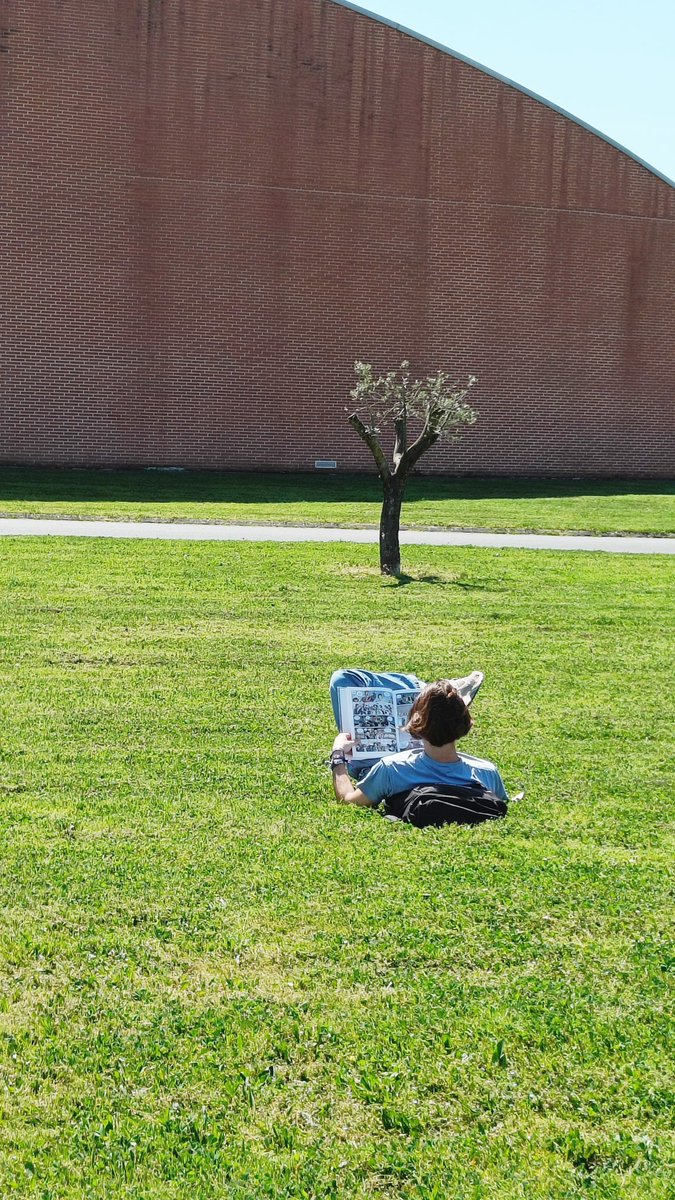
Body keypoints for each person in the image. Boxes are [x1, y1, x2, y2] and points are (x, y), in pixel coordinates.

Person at [328, 668, 507, 809]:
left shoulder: (391, 770)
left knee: (343, 678)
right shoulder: (488, 772)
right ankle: (440, 692)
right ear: (464, 723)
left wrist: (338, 755)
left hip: (389, 764)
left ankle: (427, 689)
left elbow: (348, 801)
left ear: (416, 724)